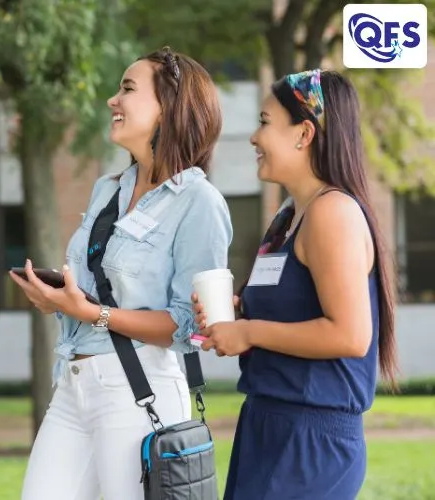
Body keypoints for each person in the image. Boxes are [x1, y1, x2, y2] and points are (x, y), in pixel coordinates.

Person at [9, 46, 233, 499]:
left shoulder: (198, 202)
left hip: (138, 390)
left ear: (169, 108)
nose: (113, 100)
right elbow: (93, 291)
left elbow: (187, 327)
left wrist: (93, 314)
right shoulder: (108, 190)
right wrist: (58, 300)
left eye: (127, 89)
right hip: (73, 384)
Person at [192, 69, 399, 499]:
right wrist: (235, 320)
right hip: (268, 426)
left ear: (304, 133)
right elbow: (295, 316)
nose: (252, 137)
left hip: (310, 443)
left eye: (265, 122)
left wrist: (248, 331)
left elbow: (349, 335)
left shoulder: (333, 214)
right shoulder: (289, 218)